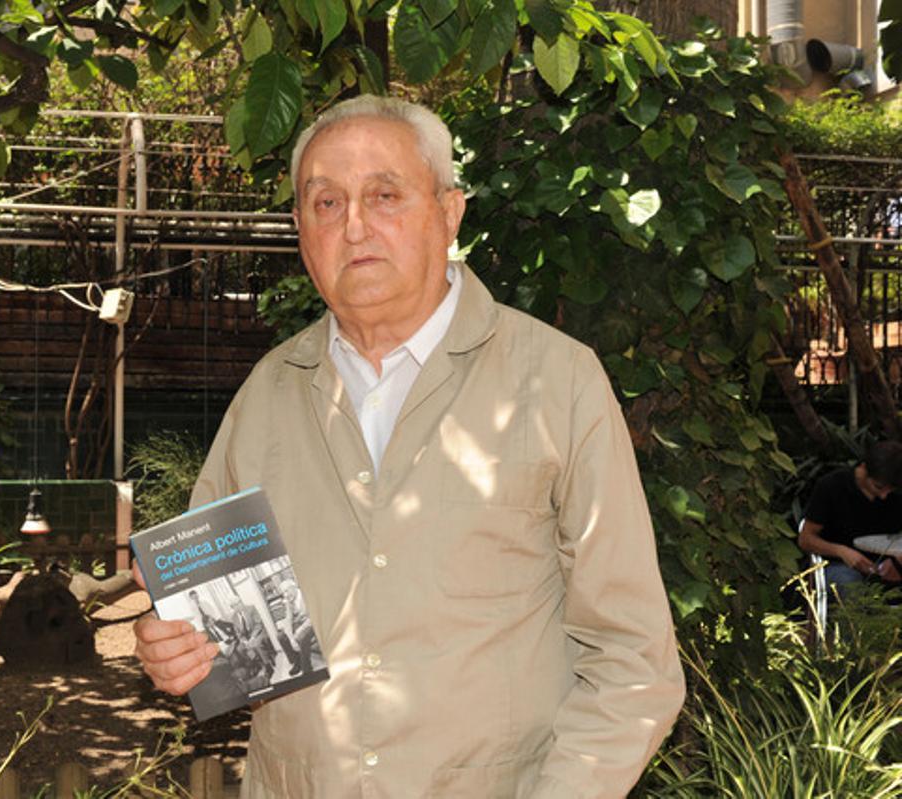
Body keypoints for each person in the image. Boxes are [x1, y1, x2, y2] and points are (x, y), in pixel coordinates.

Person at [133, 95, 684, 798]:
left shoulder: (558, 382)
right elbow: (223, 642)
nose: (354, 225)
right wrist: (176, 651)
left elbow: (635, 659)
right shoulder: (267, 394)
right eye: (326, 202)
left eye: (384, 194)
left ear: (449, 214)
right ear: (300, 228)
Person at [798, 440, 902, 588]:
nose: (884, 496)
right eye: (878, 487)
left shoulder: (896, 494)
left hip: (883, 565)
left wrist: (897, 562)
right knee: (849, 582)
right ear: (864, 469)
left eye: (890, 490)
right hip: (836, 565)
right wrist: (841, 551)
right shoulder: (832, 486)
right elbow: (806, 539)